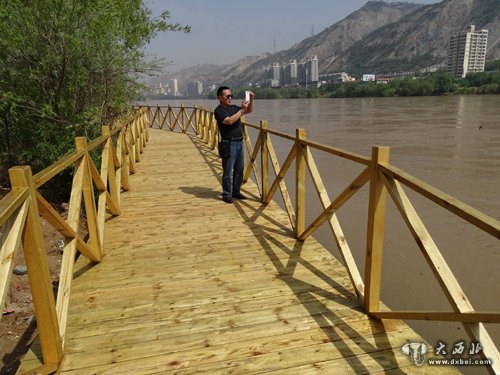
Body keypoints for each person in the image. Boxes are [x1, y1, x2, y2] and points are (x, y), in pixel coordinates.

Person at [214, 86, 254, 203]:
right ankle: (226, 193)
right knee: (228, 171)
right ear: (220, 97)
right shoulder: (219, 110)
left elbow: (249, 110)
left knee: (239, 170)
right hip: (228, 143)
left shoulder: (234, 108)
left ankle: (236, 191)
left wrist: (251, 100)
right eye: (227, 96)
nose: (230, 98)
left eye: (231, 96)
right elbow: (229, 121)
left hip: (239, 142)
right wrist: (241, 110)